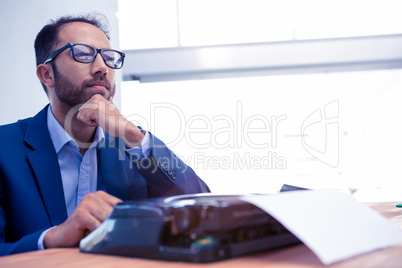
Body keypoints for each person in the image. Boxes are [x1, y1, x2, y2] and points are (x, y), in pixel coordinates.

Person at [0, 14, 210, 256]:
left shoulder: (133, 148)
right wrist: (51, 238)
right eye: (83, 54)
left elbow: (202, 207)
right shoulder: (5, 148)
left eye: (109, 58)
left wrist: (134, 135)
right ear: (47, 74)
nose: (102, 68)